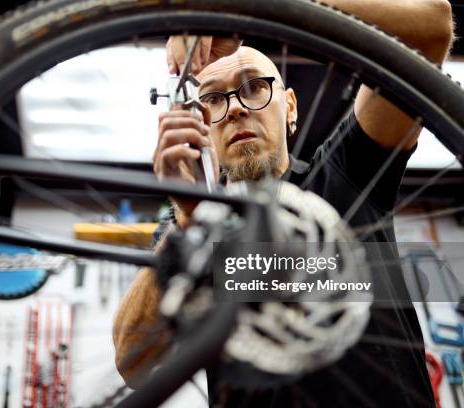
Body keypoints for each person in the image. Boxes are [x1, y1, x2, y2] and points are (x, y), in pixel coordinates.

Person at [113, 1, 454, 406]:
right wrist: (189, 219)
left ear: (289, 107)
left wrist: (245, 4)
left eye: (254, 86)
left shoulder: (347, 171)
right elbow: (131, 362)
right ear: (201, 125)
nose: (236, 107)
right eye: (214, 99)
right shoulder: (191, 232)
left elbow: (430, 29)